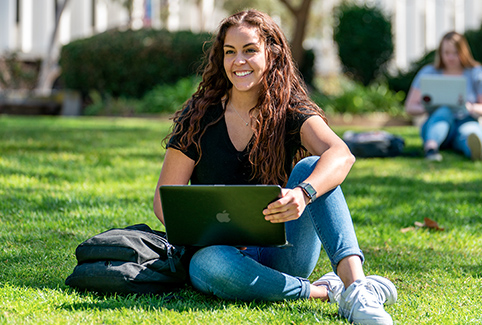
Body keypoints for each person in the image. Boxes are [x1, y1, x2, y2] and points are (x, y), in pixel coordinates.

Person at [152, 9, 396, 325]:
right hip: (221, 253)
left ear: (271, 52)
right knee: (207, 266)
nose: (238, 61)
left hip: (284, 251)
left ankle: (357, 287)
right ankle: (325, 292)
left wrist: (304, 194)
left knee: (313, 165)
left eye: (250, 50)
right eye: (230, 52)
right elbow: (164, 202)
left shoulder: (291, 108)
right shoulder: (197, 117)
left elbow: (341, 154)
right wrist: (212, 233)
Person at [404, 31, 482, 161]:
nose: (451, 58)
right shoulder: (428, 73)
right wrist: (429, 107)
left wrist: (470, 107)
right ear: (440, 53)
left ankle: (473, 149)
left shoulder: (476, 73)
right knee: (444, 111)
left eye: (455, 53)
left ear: (463, 52)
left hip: (465, 120)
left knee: (470, 132)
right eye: (447, 53)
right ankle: (431, 147)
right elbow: (410, 107)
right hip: (436, 122)